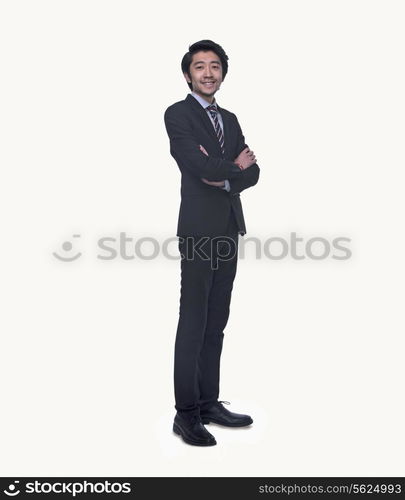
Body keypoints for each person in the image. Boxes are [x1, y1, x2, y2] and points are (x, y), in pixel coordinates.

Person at [164, 40, 260, 446]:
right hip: (199, 231)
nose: (208, 73)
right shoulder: (178, 114)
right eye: (199, 66)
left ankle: (208, 402)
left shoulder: (232, 118)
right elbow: (196, 164)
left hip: (227, 228)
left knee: (216, 321)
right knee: (194, 320)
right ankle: (185, 414)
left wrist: (228, 172)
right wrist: (230, 168)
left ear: (223, 73)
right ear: (188, 74)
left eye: (215, 66)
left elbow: (254, 172)